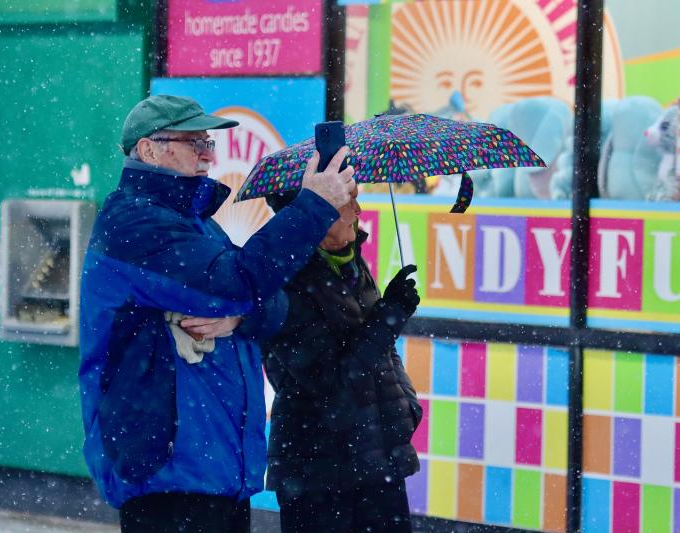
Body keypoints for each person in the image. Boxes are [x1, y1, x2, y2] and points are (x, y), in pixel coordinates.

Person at [78, 94, 356, 533]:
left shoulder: (195, 223)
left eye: (209, 143)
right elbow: (239, 282)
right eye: (195, 143)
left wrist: (239, 318)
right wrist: (315, 204)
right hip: (169, 470)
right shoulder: (134, 224)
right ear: (149, 149)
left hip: (216, 469)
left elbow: (271, 301)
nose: (209, 155)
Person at [262, 186, 423, 533]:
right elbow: (330, 380)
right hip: (319, 473)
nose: (358, 209)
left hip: (378, 462)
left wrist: (406, 406)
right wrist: (389, 316)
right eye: (347, 200)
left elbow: (379, 352)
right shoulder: (284, 279)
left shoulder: (350, 263)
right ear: (316, 213)